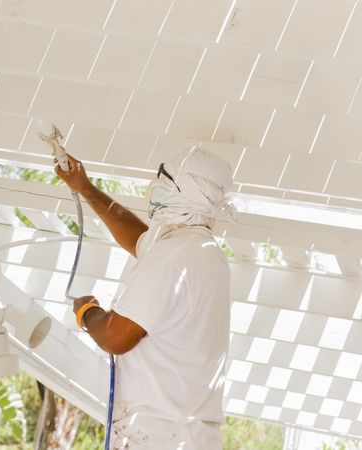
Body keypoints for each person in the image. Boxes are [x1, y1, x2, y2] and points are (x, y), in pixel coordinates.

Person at [55, 146, 233, 450]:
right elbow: (138, 238)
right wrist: (86, 188)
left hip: (158, 436)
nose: (156, 185)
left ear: (183, 190)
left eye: (165, 178)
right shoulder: (204, 252)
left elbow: (115, 337)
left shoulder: (172, 256)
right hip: (184, 436)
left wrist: (87, 312)